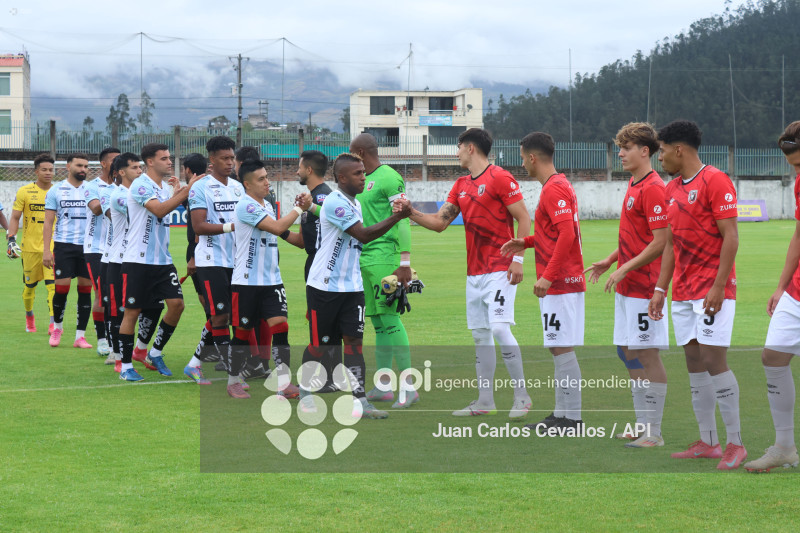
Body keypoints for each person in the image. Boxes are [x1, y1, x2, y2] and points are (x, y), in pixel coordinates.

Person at [408, 128, 532, 420]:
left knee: (499, 329)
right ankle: (485, 400)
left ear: (471, 148)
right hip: (474, 272)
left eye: (459, 147)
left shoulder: (500, 177)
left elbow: (524, 217)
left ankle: (522, 396)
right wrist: (408, 212)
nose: (457, 153)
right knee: (480, 336)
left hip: (500, 267)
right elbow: (440, 223)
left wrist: (518, 259)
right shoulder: (461, 184)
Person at [648, 119, 746, 470]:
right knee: (693, 362)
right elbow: (670, 245)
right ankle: (708, 441)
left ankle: (736, 444)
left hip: (712, 289)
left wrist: (719, 285)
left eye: (662, 151)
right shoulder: (671, 188)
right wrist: (661, 288)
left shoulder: (715, 180)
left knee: (713, 360)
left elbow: (731, 236)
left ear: (679, 149)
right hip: (683, 292)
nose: (660, 158)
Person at [302, 153, 411, 419]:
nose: (364, 177)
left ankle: (360, 402)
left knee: (354, 343)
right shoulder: (335, 202)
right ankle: (305, 392)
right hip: (324, 287)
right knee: (320, 345)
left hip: (352, 288)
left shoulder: (354, 203)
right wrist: (398, 217)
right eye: (358, 173)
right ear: (342, 178)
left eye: (363, 172)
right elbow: (362, 234)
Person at [584, 123, 669, 447]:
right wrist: (611, 260)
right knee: (627, 351)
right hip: (627, 285)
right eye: (620, 147)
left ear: (645, 151)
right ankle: (642, 423)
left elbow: (660, 242)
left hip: (645, 288)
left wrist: (625, 268)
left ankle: (654, 433)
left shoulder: (654, 188)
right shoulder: (634, 184)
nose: (620, 153)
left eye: (626, 147)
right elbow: (637, 238)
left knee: (647, 354)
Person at [501, 132, 585, 430]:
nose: (522, 164)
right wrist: (525, 242)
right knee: (557, 346)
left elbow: (567, 235)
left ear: (533, 157)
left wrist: (548, 276)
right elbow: (554, 233)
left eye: (523, 158)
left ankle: (571, 418)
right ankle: (562, 414)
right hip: (562, 281)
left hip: (561, 282)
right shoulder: (558, 185)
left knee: (562, 347)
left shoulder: (554, 189)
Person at [226, 159, 311, 399]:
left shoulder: (267, 206)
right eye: (261, 179)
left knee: (281, 326)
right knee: (242, 332)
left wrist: (305, 219)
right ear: (247, 184)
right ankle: (233, 381)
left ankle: (284, 383)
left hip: (272, 281)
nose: (267, 182)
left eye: (267, 177)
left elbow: (285, 235)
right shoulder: (246, 205)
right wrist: (299, 209)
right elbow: (276, 228)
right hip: (246, 282)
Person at [743, 121, 800, 472]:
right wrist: (781, 286)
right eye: (793, 166)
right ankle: (784, 447)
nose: (797, 172)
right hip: (797, 291)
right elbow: (799, 235)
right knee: (773, 357)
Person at [350, 133, 418, 408]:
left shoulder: (389, 177)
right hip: (364, 258)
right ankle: (383, 385)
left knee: (390, 320)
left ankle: (409, 387)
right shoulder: (362, 181)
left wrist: (404, 263)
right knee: (378, 323)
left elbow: (403, 219)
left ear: (361, 153)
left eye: (352, 153)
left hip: (384, 258)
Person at [117, 143, 195, 381]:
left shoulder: (163, 187)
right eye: (164, 158)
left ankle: (155, 352)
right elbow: (159, 211)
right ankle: (126, 367)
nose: (170, 162)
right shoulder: (140, 184)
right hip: (138, 261)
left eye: (169, 157)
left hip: (163, 260)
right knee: (132, 312)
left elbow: (167, 206)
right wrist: (185, 192)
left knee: (177, 305)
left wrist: (179, 192)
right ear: (150, 162)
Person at [183, 137, 244, 386]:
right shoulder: (200, 188)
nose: (230, 163)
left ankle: (194, 364)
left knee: (228, 316)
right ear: (212, 159)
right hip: (211, 260)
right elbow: (199, 226)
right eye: (224, 158)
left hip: (237, 261)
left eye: (232, 158)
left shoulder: (238, 187)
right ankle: (233, 374)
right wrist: (232, 226)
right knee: (219, 316)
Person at [43, 153, 94, 349]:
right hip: (64, 245)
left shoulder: (92, 189)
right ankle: (57, 328)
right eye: (79, 165)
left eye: (86, 166)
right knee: (61, 288)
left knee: (85, 290)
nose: (83, 169)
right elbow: (48, 222)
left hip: (88, 246)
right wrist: (47, 250)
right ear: (68, 166)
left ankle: (80, 336)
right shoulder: (56, 190)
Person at [296, 150, 338, 391]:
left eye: (300, 167)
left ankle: (326, 378)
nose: (297, 171)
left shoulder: (322, 198)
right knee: (320, 321)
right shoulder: (310, 198)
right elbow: (303, 241)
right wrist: (275, 229)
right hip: (314, 263)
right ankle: (330, 377)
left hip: (322, 266)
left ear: (309, 170)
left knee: (323, 323)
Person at [6, 153, 55, 333]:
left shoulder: (58, 191)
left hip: (52, 248)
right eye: (44, 169)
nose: (48, 173)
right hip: (30, 249)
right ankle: (29, 317)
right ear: (36, 171)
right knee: (29, 288)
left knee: (52, 287)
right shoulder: (25, 191)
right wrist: (11, 239)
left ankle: (53, 323)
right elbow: (15, 217)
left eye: (51, 170)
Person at [104, 152, 143, 372]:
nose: (140, 171)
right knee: (120, 310)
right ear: (121, 172)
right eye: (134, 167)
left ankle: (139, 350)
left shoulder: (140, 193)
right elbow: (149, 211)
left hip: (138, 259)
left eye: (140, 167)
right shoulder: (119, 195)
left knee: (146, 308)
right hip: (119, 260)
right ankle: (118, 355)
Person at [84, 147, 120, 360]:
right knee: (101, 294)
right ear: (104, 164)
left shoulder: (124, 186)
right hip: (96, 248)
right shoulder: (92, 186)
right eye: (114, 160)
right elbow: (97, 209)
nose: (118, 162)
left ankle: (117, 341)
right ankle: (102, 340)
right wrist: (114, 196)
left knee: (117, 295)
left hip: (119, 248)